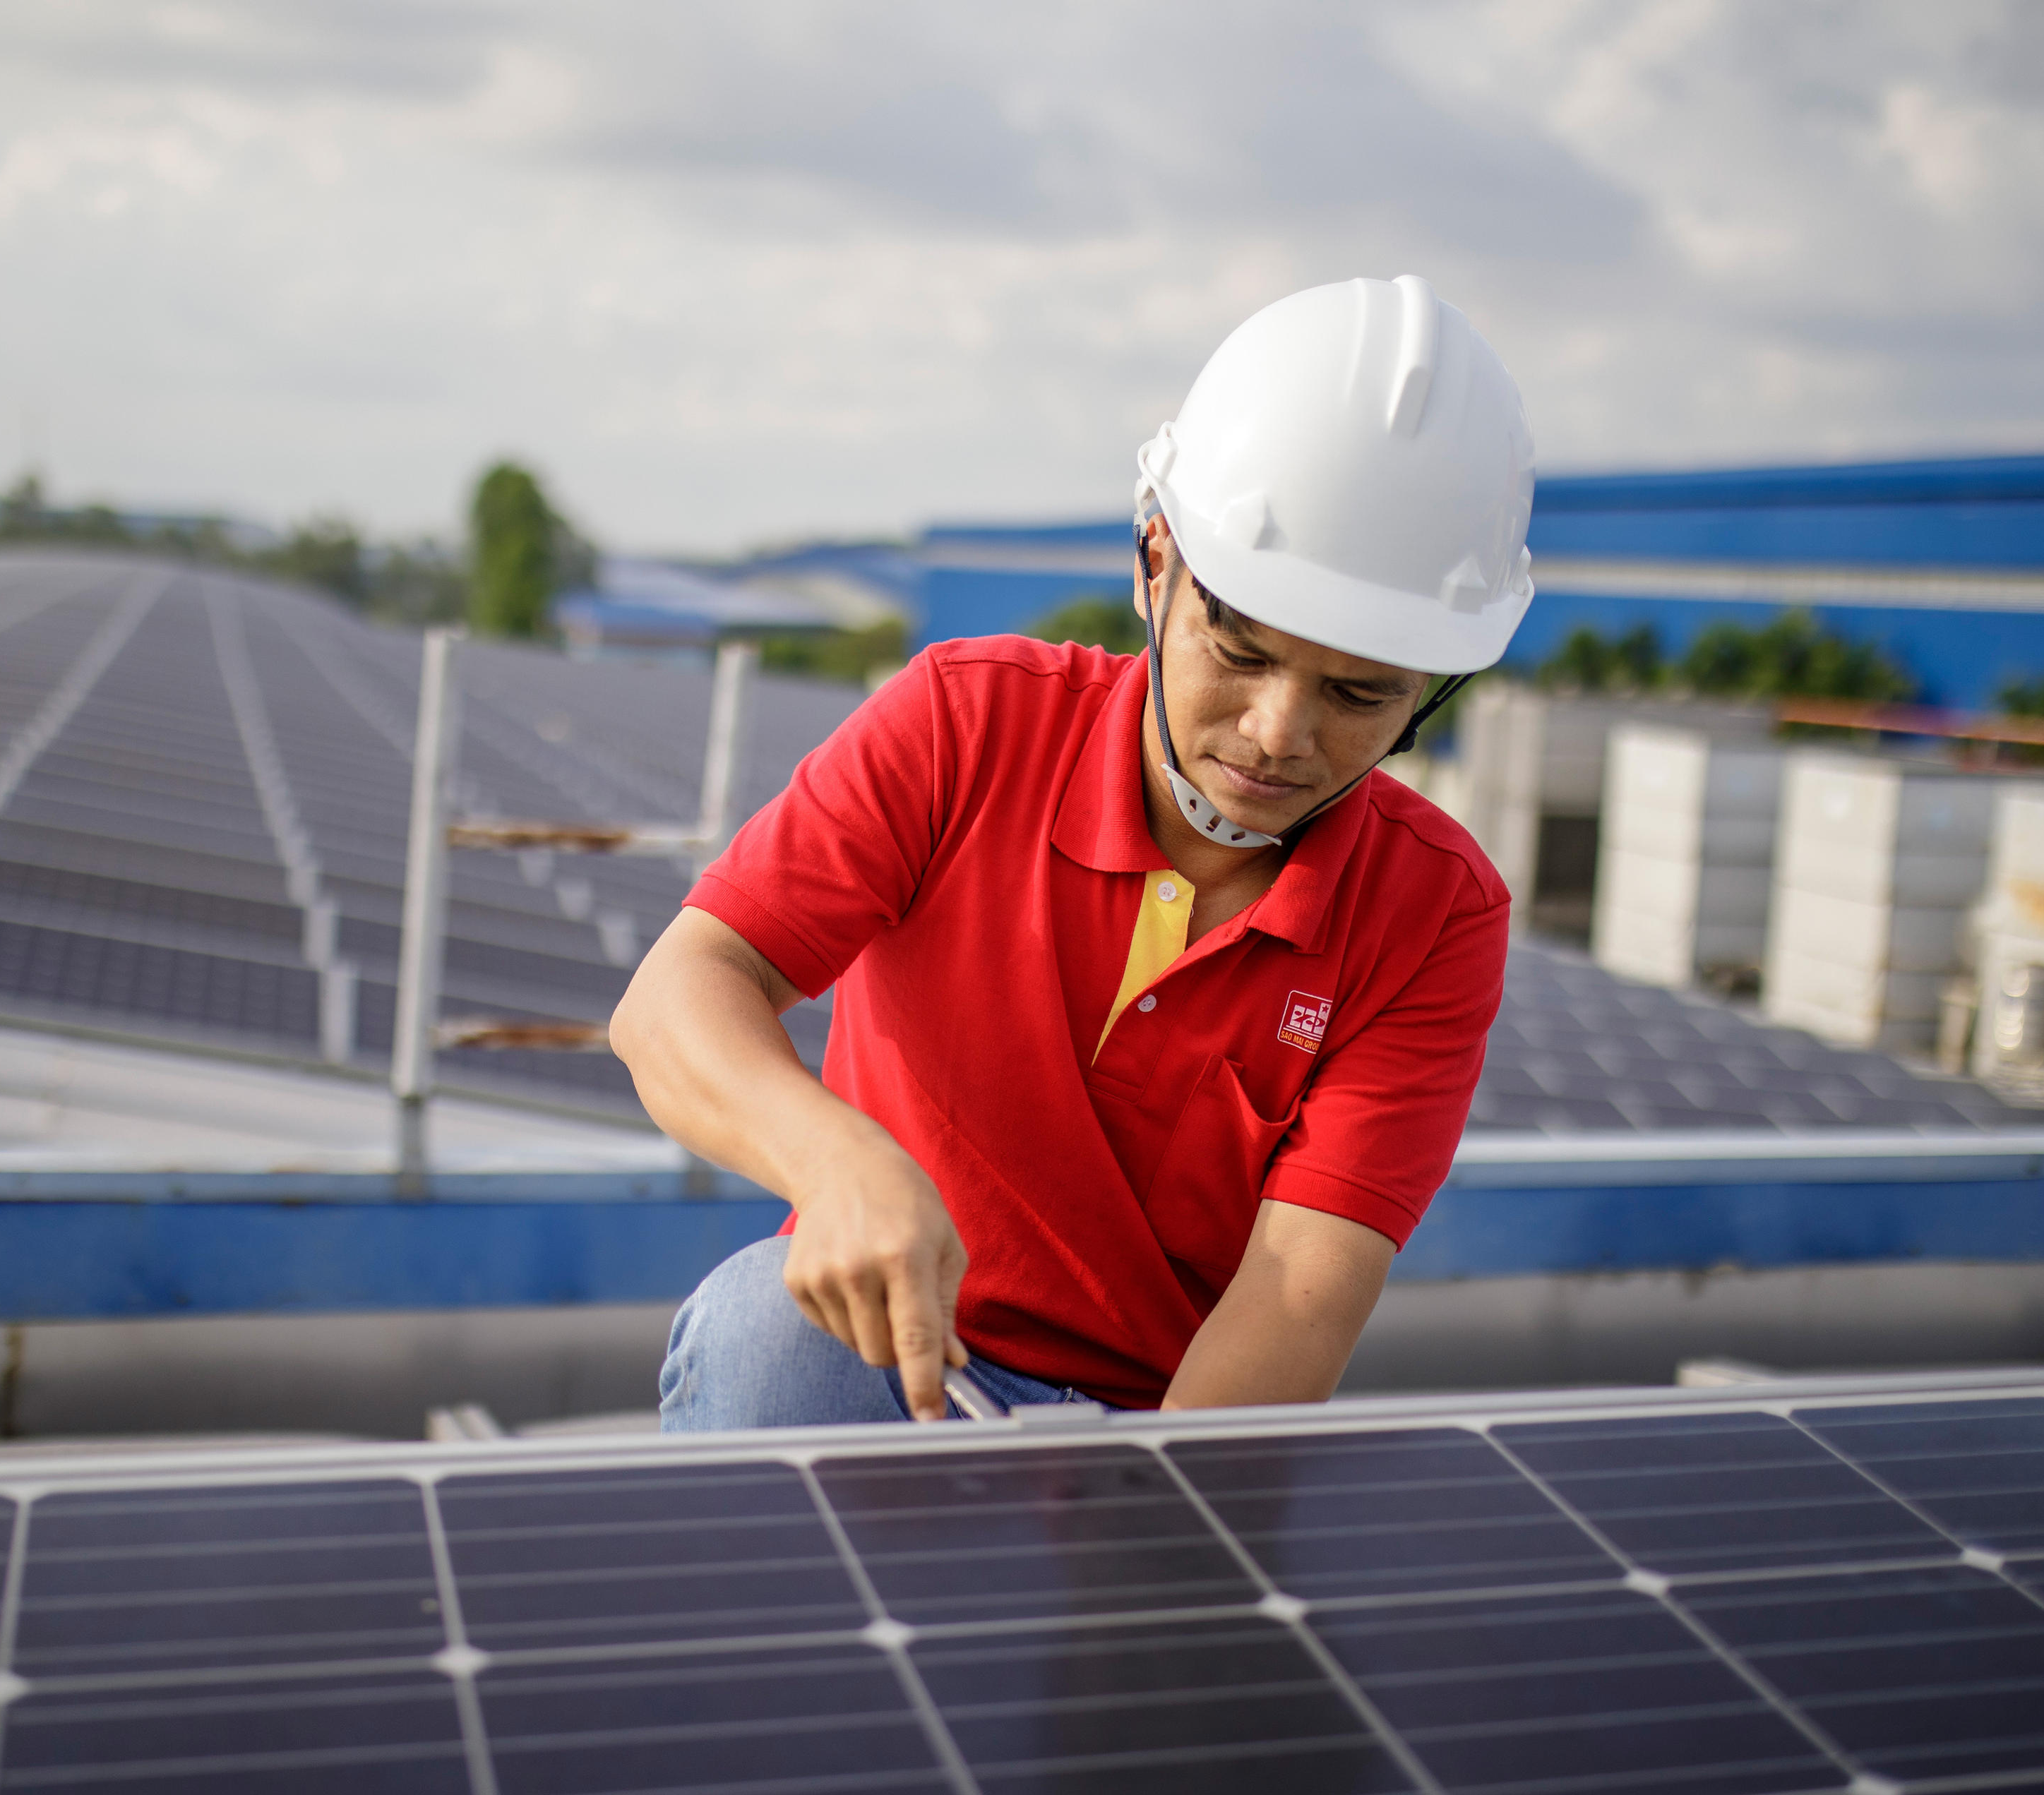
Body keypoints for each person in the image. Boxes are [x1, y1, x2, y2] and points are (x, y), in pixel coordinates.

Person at [612, 274, 1536, 1429]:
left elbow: (1301, 1292)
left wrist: (1143, 1542)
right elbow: (674, 999)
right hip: (901, 1364)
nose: (1278, 734)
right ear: (1156, 564)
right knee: (764, 1330)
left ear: (1432, 691)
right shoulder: (967, 720)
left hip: (1151, 1430)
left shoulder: (1434, 910)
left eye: (1358, 693)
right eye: (1239, 652)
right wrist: (834, 1163)